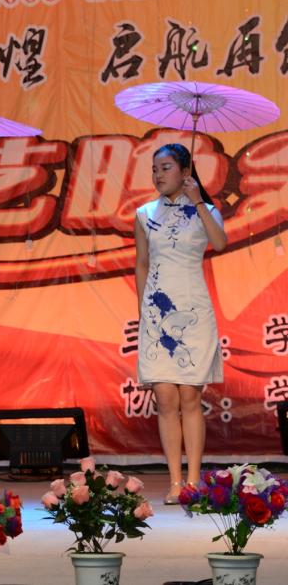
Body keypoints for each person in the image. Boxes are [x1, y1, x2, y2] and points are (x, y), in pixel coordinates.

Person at [133, 143, 227, 504]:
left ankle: (193, 481)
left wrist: (198, 201)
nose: (158, 175)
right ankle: (174, 482)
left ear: (186, 171)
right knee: (165, 396)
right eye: (154, 169)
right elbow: (142, 263)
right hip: (157, 310)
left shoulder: (206, 211)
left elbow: (219, 243)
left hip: (193, 309)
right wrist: (143, 311)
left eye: (166, 167)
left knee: (189, 395)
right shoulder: (144, 214)